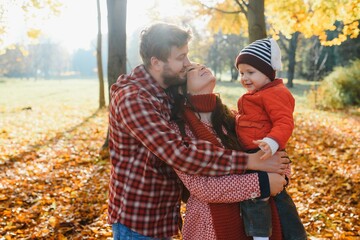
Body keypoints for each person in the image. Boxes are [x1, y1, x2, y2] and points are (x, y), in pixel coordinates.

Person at [108, 22, 290, 240]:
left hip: (169, 215)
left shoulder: (224, 116)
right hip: (138, 218)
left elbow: (268, 146)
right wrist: (255, 172)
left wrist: (279, 171)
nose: (189, 63)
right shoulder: (134, 99)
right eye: (181, 58)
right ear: (156, 63)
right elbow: (181, 154)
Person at [167, 62, 288, 240]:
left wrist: (283, 176)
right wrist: (262, 183)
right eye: (192, 69)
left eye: (201, 64)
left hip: (258, 223)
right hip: (210, 228)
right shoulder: (179, 130)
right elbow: (203, 187)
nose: (201, 67)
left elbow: (275, 151)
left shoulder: (234, 118)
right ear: (180, 90)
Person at [234, 37, 307, 240]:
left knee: (257, 194)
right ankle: (293, 235)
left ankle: (260, 236)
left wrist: (272, 142)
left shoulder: (275, 93)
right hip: (256, 151)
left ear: (267, 72)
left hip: (266, 151)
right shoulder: (255, 94)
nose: (245, 77)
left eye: (251, 72)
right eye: (241, 73)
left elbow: (285, 122)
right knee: (274, 196)